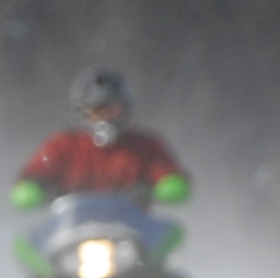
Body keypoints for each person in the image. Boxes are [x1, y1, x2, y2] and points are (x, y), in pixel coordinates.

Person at [12, 66, 189, 209]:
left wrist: (166, 187)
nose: (105, 117)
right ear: (83, 113)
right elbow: (34, 173)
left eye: (111, 110)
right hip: (71, 230)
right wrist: (32, 190)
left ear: (124, 109)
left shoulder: (144, 145)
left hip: (132, 233)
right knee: (29, 244)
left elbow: (168, 173)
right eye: (97, 111)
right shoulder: (63, 145)